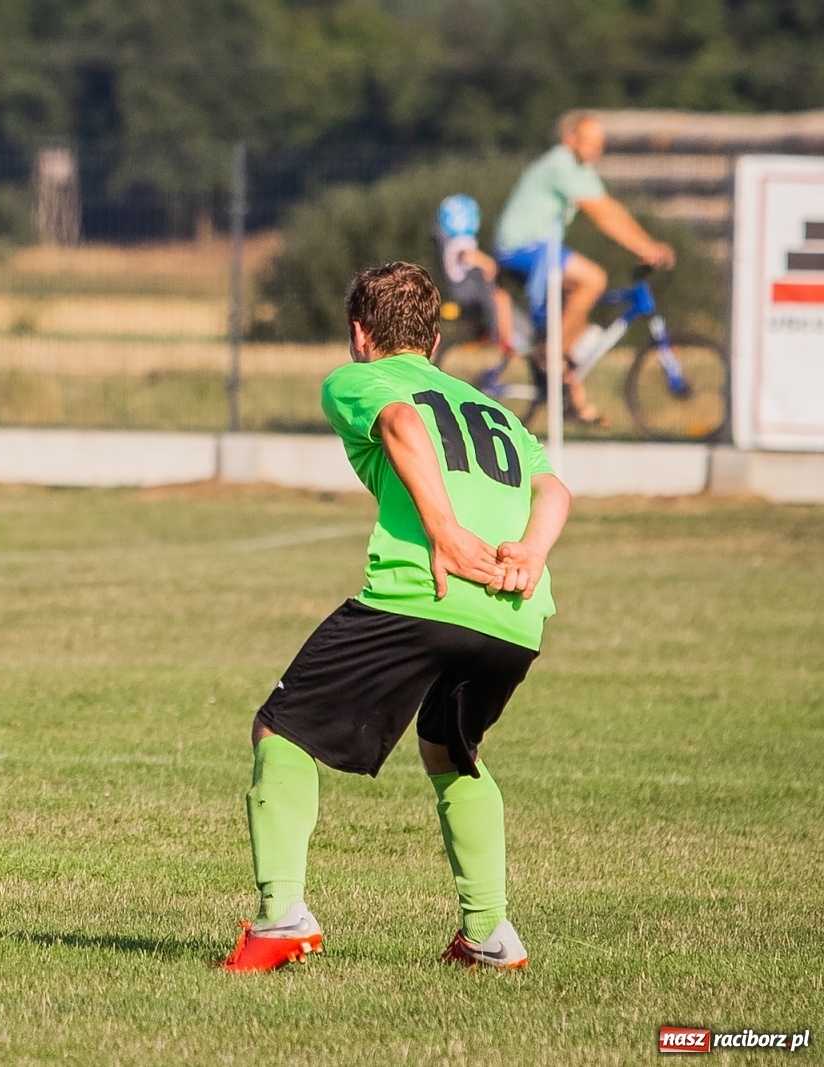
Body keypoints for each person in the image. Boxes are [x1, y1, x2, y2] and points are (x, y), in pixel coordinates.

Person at [220, 261, 571, 973]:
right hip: (515, 613)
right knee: (451, 750)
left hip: (424, 594)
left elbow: (402, 421)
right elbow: (555, 486)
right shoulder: (493, 409)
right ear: (434, 341)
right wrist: (530, 554)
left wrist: (442, 532)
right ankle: (489, 935)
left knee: (279, 728)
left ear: (359, 332)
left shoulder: (358, 378)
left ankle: (281, 916)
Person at [492, 110, 675, 425]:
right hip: (521, 246)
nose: (596, 149)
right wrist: (645, 248)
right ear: (569, 139)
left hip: (541, 248)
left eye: (599, 143)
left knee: (578, 309)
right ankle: (550, 356)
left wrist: (648, 243)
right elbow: (600, 215)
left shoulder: (579, 168)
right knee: (593, 279)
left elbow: (611, 208)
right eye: (590, 142)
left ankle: (571, 396)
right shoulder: (560, 165)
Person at [434, 194, 519, 376]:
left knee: (497, 296)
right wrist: (487, 263)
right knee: (500, 298)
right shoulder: (459, 241)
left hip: (462, 289)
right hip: (466, 290)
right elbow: (466, 255)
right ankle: (503, 341)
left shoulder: (447, 239)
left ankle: (497, 337)